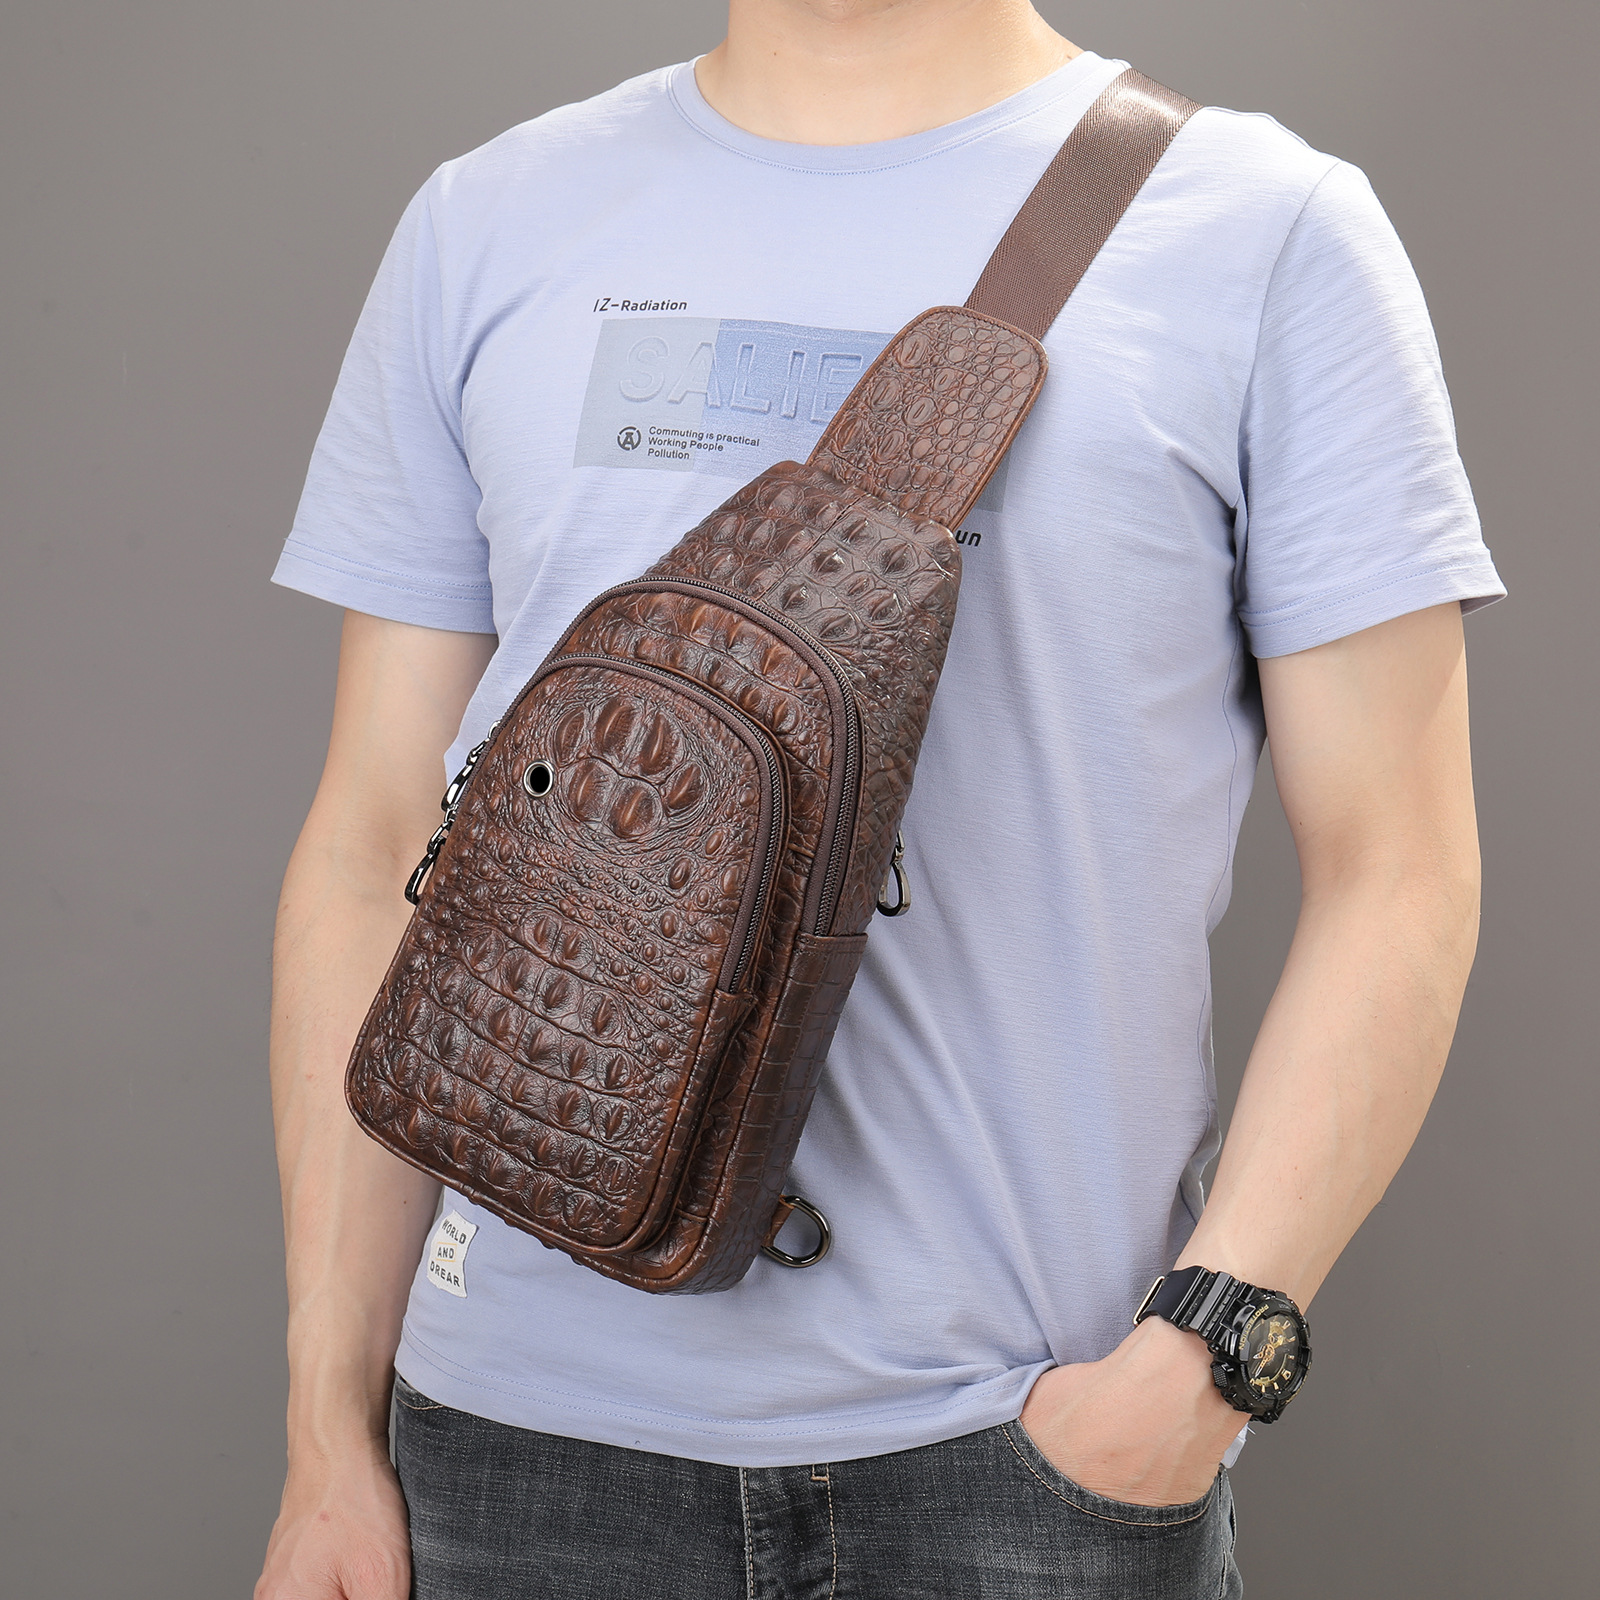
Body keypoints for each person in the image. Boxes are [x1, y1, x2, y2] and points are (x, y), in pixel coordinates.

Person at [255, 2, 1503, 1596]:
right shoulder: (486, 224)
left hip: (1028, 1462)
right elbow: (375, 847)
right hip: (509, 1459)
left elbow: (1400, 870)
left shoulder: (1267, 236)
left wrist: (1194, 1370)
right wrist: (326, 1427)